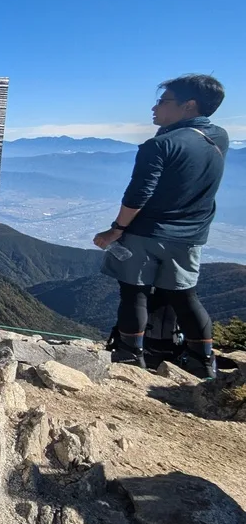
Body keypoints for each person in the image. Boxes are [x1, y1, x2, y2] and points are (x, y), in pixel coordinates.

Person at [93, 74, 228, 378]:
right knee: (184, 296)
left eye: (163, 101)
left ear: (189, 106)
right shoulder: (219, 138)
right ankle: (203, 362)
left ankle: (130, 356)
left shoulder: (159, 145)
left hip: (145, 233)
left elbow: (138, 195)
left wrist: (115, 229)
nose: (154, 108)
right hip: (191, 235)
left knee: (134, 294)